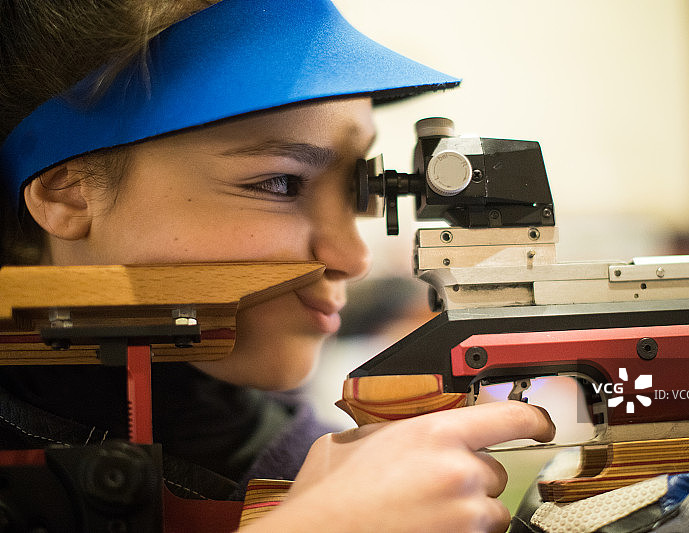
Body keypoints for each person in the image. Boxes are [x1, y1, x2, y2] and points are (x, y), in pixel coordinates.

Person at [0, 1, 556, 531]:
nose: (351, 258)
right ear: (68, 195)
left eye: (356, 192)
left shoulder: (319, 466)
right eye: (280, 183)